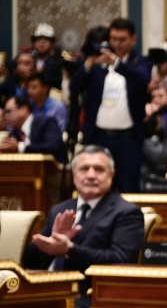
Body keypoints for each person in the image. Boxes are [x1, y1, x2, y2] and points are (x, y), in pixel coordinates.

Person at [21, 145, 144, 308]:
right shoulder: (60, 209)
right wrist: (48, 244)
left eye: (99, 169)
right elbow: (28, 260)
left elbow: (121, 260)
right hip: (43, 289)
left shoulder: (126, 212)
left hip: (86, 298)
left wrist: (69, 249)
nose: (91, 175)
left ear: (111, 175)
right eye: (84, 169)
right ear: (74, 174)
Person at [69, 18, 151, 193]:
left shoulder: (139, 61)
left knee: (129, 187)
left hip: (127, 139)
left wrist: (116, 63)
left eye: (122, 39)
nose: (117, 43)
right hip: (98, 136)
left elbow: (142, 79)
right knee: (96, 188)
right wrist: (88, 64)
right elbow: (74, 87)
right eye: (113, 39)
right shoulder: (99, 63)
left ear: (133, 39)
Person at [0, 95, 64, 161]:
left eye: (8, 111)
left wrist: (19, 147)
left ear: (23, 109)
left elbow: (52, 147)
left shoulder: (47, 123)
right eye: (5, 113)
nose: (6, 117)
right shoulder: (15, 134)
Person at [26, 24, 63, 89]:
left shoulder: (59, 60)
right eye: (38, 40)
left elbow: (59, 80)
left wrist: (42, 74)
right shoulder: (28, 57)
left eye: (46, 40)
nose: (41, 43)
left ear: (52, 44)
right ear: (33, 43)